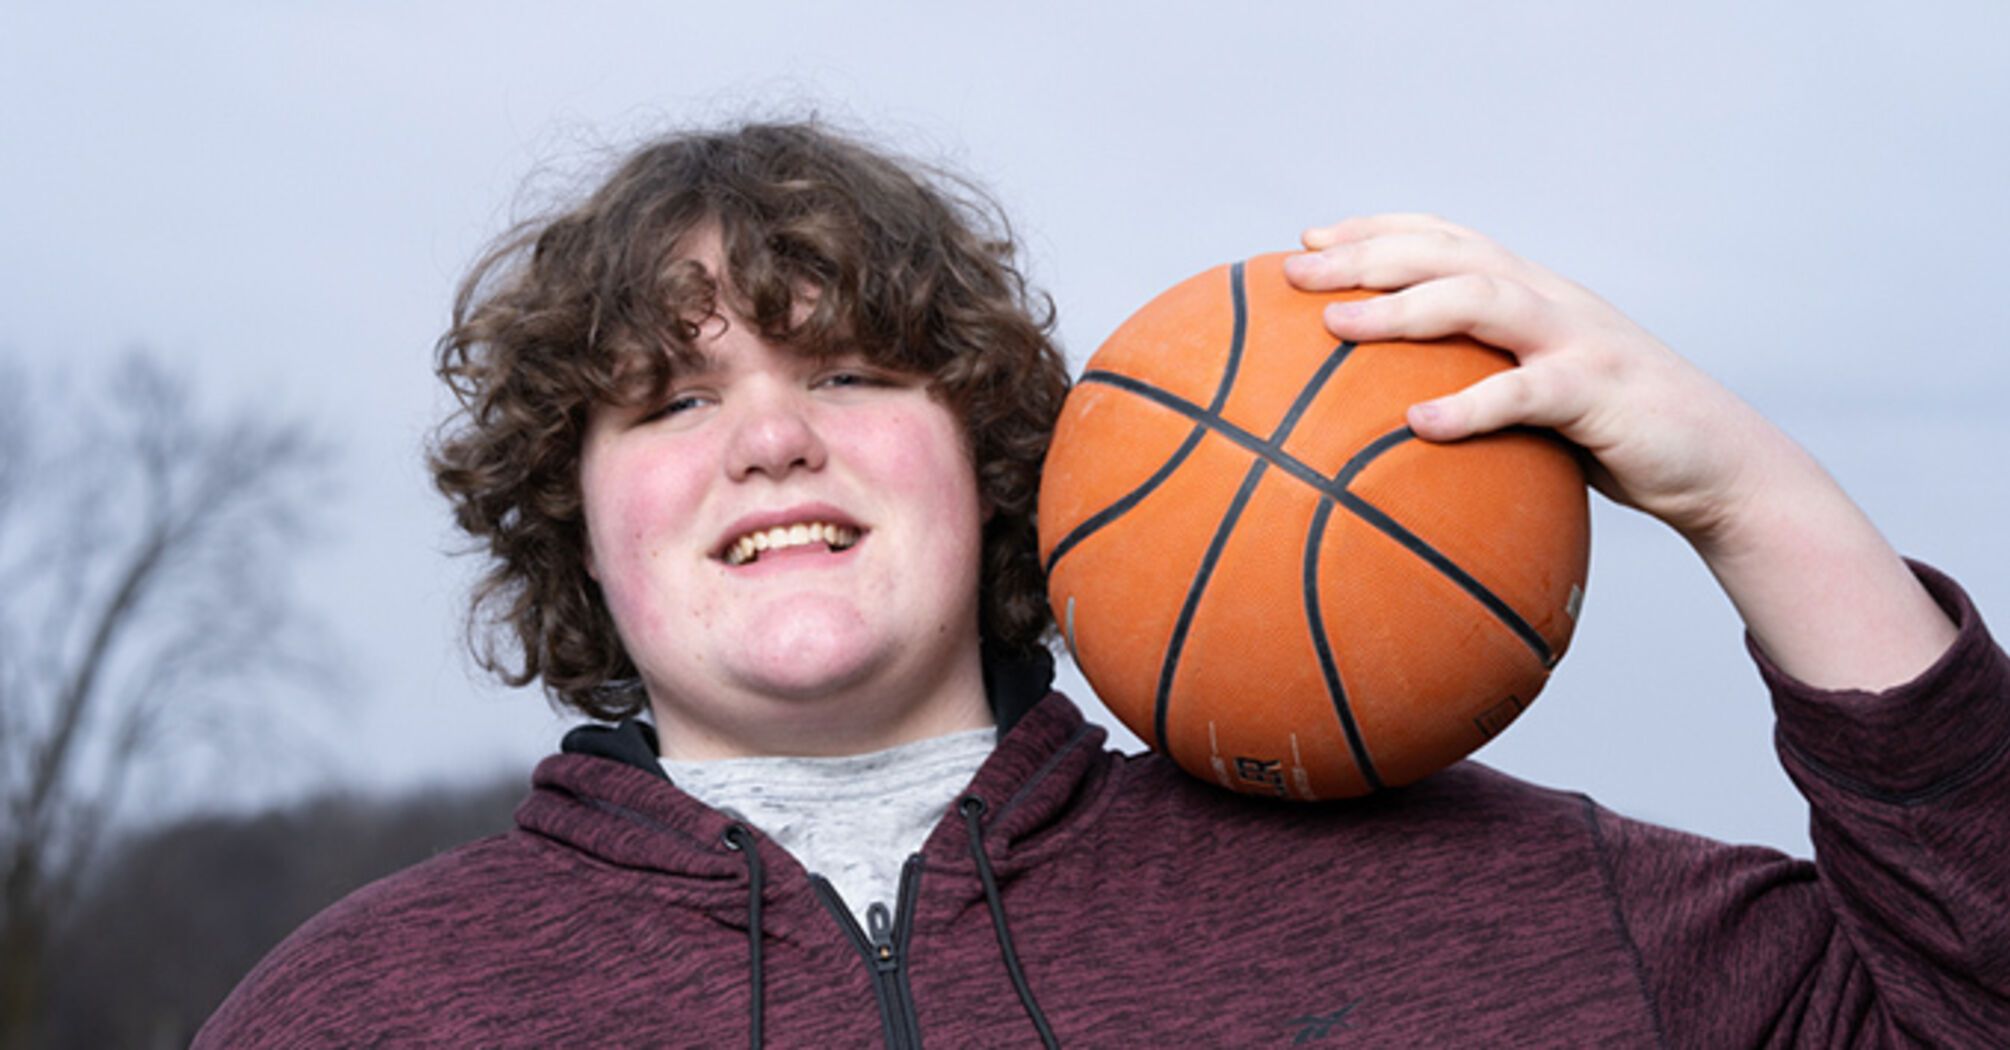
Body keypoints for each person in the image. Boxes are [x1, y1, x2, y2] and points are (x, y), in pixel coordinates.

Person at [197, 121, 2008, 1047]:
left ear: (1001, 466)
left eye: (844, 373)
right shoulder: (366, 1009)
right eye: (670, 401)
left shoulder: (1503, 910)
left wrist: (1754, 499)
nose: (767, 439)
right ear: (570, 515)